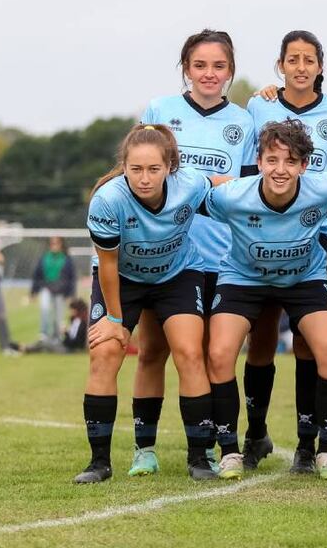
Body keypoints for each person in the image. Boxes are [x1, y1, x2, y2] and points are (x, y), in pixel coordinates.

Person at [128, 30, 258, 479]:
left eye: (218, 66)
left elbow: (246, 191)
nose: (209, 74)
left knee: (210, 356)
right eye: (200, 65)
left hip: (220, 257)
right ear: (185, 68)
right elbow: (137, 175)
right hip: (165, 256)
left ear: (230, 72)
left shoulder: (243, 121)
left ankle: (217, 448)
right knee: (152, 351)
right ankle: (144, 448)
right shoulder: (160, 111)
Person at [75, 124, 221, 484]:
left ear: (170, 167)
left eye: (153, 169)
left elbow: (223, 184)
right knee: (106, 352)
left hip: (178, 274)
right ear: (124, 166)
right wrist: (113, 318)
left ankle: (200, 458)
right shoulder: (107, 200)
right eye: (135, 169)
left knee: (189, 353)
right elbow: (107, 266)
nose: (144, 178)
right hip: (122, 279)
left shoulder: (189, 184)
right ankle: (99, 463)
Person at [203, 120, 327, 481]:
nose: (280, 170)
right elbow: (185, 193)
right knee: (220, 353)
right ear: (258, 161)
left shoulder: (326, 189)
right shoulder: (232, 195)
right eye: (271, 160)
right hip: (244, 278)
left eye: (290, 161)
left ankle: (326, 449)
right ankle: (231, 450)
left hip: (305, 278)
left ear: (304, 165)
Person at [246, 31, 327, 474]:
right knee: (262, 337)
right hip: (264, 236)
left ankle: (309, 446)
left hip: (317, 240)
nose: (301, 66)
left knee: (311, 343)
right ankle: (255, 434)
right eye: (293, 59)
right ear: (281, 65)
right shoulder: (259, 106)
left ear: (321, 67)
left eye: (310, 59)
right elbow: (247, 167)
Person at [30, 236, 77, 345]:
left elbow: (72, 278)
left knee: (58, 315)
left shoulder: (66, 259)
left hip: (60, 291)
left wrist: (71, 294)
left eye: (56, 243)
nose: (54, 245)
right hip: (46, 288)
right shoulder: (44, 258)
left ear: (61, 244)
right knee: (45, 309)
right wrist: (33, 291)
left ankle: (57, 336)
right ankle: (44, 334)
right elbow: (37, 275)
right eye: (52, 243)